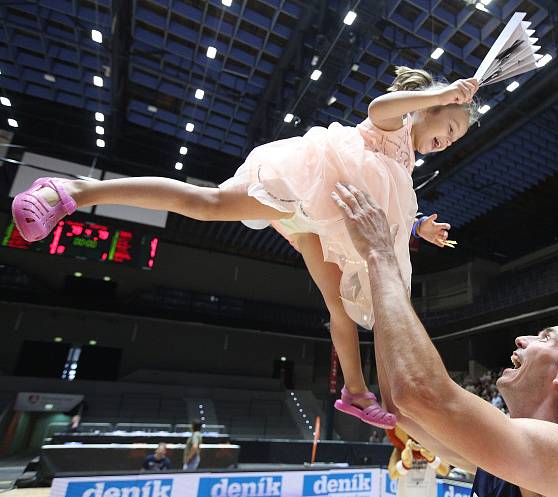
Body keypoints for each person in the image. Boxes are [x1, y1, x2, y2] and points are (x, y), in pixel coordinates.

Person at [11, 68, 478, 430]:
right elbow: (379, 106)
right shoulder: (394, 125)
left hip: (320, 222)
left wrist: (417, 228)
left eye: (455, 138)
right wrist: (442, 93)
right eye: (450, 125)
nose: (448, 140)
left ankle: (355, 392)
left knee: (339, 307)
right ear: (430, 108)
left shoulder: (405, 162)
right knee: (209, 203)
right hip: (304, 187)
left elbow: (379, 202)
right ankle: (75, 190)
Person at [330, 183, 558, 497]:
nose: (521, 339)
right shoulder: (508, 455)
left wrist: (381, 255)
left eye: (545, 338)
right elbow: (402, 408)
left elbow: (420, 394)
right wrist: (379, 272)